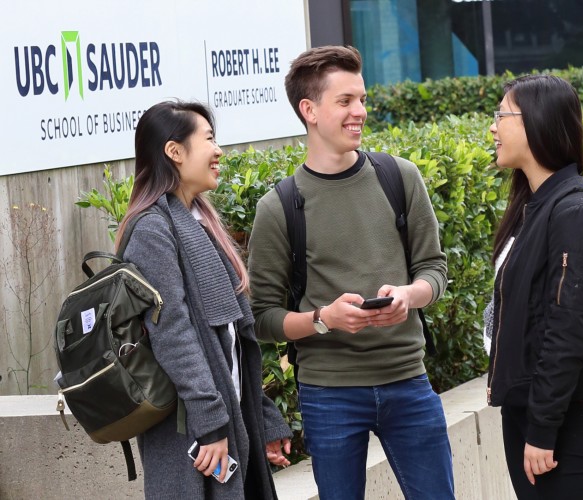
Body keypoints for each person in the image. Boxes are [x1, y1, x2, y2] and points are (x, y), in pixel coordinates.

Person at [248, 46, 455, 500]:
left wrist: (409, 295)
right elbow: (261, 316)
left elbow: (434, 269)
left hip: (408, 382)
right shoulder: (279, 207)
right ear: (310, 110)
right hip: (330, 393)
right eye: (345, 102)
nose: (359, 111)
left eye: (361, 99)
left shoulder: (400, 178)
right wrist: (323, 319)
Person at [117, 100, 292, 499]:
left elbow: (232, 341)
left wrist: (263, 420)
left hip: (221, 420)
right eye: (209, 140)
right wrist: (212, 424)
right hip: (189, 429)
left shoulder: (196, 221)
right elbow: (173, 334)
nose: (218, 152)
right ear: (175, 152)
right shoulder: (152, 229)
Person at [485, 75, 583, 500]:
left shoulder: (577, 214)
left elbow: (567, 332)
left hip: (560, 422)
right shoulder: (534, 206)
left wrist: (543, 429)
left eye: (501, 115)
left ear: (539, 124)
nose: (493, 127)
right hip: (529, 412)